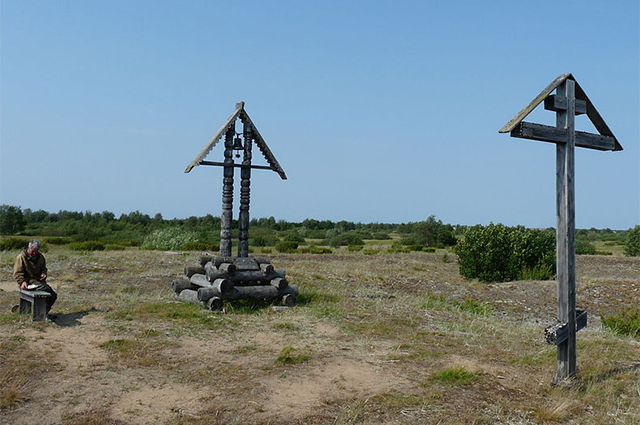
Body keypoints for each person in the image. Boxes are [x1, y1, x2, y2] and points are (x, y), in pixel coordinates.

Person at [14, 239, 57, 320]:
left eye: (36, 251)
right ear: (28, 248)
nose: (34, 253)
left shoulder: (40, 257)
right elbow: (17, 273)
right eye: (32, 251)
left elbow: (44, 268)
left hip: (38, 282)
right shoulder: (21, 257)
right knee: (46, 290)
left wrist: (44, 274)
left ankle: (44, 313)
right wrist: (22, 282)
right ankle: (40, 314)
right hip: (27, 284)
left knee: (53, 295)